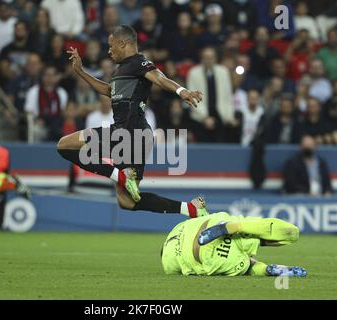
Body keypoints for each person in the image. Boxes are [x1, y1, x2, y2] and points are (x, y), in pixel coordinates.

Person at [59, 25, 207, 218]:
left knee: (64, 146)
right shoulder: (121, 71)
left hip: (127, 132)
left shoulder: (139, 62)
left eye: (111, 46)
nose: (109, 51)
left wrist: (182, 91)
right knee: (127, 201)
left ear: (123, 43)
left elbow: (160, 78)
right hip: (137, 137)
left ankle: (119, 176)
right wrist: (81, 72)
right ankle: (190, 209)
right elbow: (108, 91)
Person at [161, 211, 307, 277]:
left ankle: (267, 269)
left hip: (210, 258)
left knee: (248, 266)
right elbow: (201, 217)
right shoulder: (177, 228)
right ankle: (237, 227)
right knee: (290, 233)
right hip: (210, 225)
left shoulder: (167, 264)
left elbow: (178, 272)